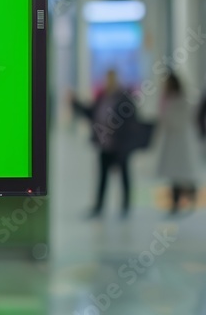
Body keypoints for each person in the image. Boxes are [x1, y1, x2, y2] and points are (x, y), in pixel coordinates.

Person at [71, 69, 140, 218]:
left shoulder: (124, 99)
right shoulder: (103, 97)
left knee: (124, 175)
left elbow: (131, 122)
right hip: (105, 144)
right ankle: (99, 206)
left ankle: (125, 206)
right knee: (102, 177)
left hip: (120, 145)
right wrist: (76, 103)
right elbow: (91, 113)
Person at [157, 72, 198, 215]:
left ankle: (190, 197)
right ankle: (175, 203)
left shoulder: (182, 100)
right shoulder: (168, 99)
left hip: (181, 141)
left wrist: (169, 120)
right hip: (172, 140)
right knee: (174, 175)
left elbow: (183, 119)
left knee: (184, 173)